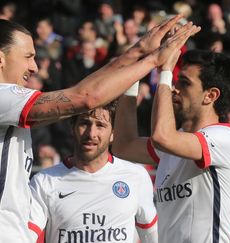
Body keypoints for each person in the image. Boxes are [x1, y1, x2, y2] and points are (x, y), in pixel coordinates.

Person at [0, 17, 200, 242]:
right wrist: (155, 60)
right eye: (28, 56)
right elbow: (86, 97)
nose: (35, 67)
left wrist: (137, 51)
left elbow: (79, 93)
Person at [112, 49, 230, 242]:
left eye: (184, 83)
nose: (174, 88)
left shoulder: (225, 139)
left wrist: (165, 71)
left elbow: (162, 136)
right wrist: (134, 76)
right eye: (175, 81)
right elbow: (123, 146)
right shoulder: (178, 141)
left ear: (210, 96)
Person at [29, 102, 157, 243]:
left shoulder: (136, 176)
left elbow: (152, 236)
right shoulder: (45, 181)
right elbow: (24, 237)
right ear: (73, 128)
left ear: (113, 134)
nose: (91, 134)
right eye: (85, 123)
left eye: (100, 125)